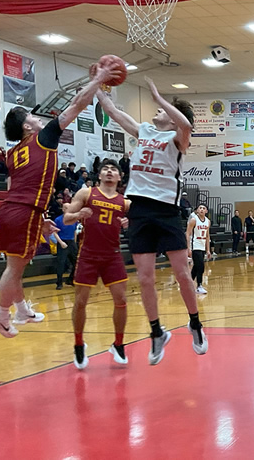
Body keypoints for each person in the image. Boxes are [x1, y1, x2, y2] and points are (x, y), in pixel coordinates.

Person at [0, 60, 122, 338]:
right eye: (32, 117)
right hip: (23, 211)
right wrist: (98, 80)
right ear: (27, 126)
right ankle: (0, 315)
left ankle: (21, 310)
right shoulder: (43, 138)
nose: (38, 118)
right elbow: (77, 104)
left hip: (14, 210)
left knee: (15, 266)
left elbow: (19, 184)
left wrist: (40, 218)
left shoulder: (12, 153)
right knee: (14, 269)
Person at [94, 77, 207, 365]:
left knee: (182, 274)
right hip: (139, 210)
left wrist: (159, 98)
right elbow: (113, 111)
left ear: (171, 116)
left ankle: (195, 323)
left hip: (166, 211)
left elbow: (186, 125)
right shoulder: (144, 130)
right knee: (145, 278)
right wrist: (97, 84)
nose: (156, 112)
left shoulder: (177, 139)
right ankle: (156, 331)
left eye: (161, 111)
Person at [63, 158, 131, 369]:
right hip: (88, 254)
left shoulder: (125, 202)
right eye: (105, 169)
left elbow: (140, 223)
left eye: (113, 169)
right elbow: (66, 218)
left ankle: (118, 344)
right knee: (81, 301)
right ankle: (79, 343)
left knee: (121, 300)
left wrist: (129, 223)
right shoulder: (86, 193)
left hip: (112, 255)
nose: (109, 171)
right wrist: (78, 214)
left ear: (119, 177)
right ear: (99, 175)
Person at [186, 204, 211, 294]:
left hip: (202, 246)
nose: (202, 209)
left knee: (196, 267)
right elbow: (188, 233)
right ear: (197, 210)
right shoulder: (194, 220)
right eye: (200, 208)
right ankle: (199, 286)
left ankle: (188, 284)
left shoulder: (208, 221)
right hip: (195, 246)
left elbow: (207, 236)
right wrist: (188, 248)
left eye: (204, 208)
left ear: (206, 211)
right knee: (201, 266)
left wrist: (208, 250)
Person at [53, 203, 78, 289]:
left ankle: (70, 279)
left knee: (76, 262)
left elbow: (75, 231)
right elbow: (54, 232)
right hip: (62, 241)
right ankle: (59, 283)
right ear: (63, 209)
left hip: (71, 242)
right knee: (61, 263)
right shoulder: (58, 220)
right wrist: (61, 242)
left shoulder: (74, 219)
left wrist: (74, 242)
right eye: (66, 208)